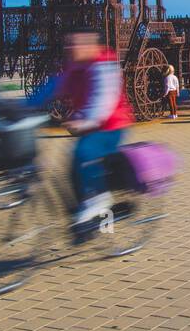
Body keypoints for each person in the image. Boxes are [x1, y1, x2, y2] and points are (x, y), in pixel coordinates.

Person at [26, 31, 134, 233]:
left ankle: (98, 202)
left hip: (112, 126)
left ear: (90, 45)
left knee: (84, 152)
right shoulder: (74, 69)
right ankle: (85, 211)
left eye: (75, 44)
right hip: (90, 126)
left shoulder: (104, 65)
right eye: (69, 44)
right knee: (71, 162)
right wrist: (22, 108)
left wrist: (84, 121)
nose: (70, 49)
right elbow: (51, 88)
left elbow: (103, 101)